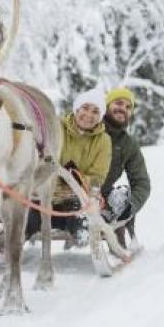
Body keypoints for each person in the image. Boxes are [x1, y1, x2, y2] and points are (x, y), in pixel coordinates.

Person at [24, 87, 111, 244]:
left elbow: (99, 175)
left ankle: (82, 233)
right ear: (77, 108)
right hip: (46, 193)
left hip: (75, 196)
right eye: (85, 108)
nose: (89, 115)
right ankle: (11, 242)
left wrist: (77, 178)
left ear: (100, 117)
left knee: (79, 214)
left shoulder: (103, 141)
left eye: (95, 111)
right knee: (30, 218)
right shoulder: (55, 127)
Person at [100, 87, 151, 248]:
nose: (123, 109)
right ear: (107, 106)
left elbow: (141, 183)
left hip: (102, 195)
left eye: (129, 107)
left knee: (122, 196)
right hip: (72, 191)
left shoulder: (128, 144)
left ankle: (120, 239)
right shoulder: (90, 128)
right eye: (118, 103)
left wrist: (131, 207)